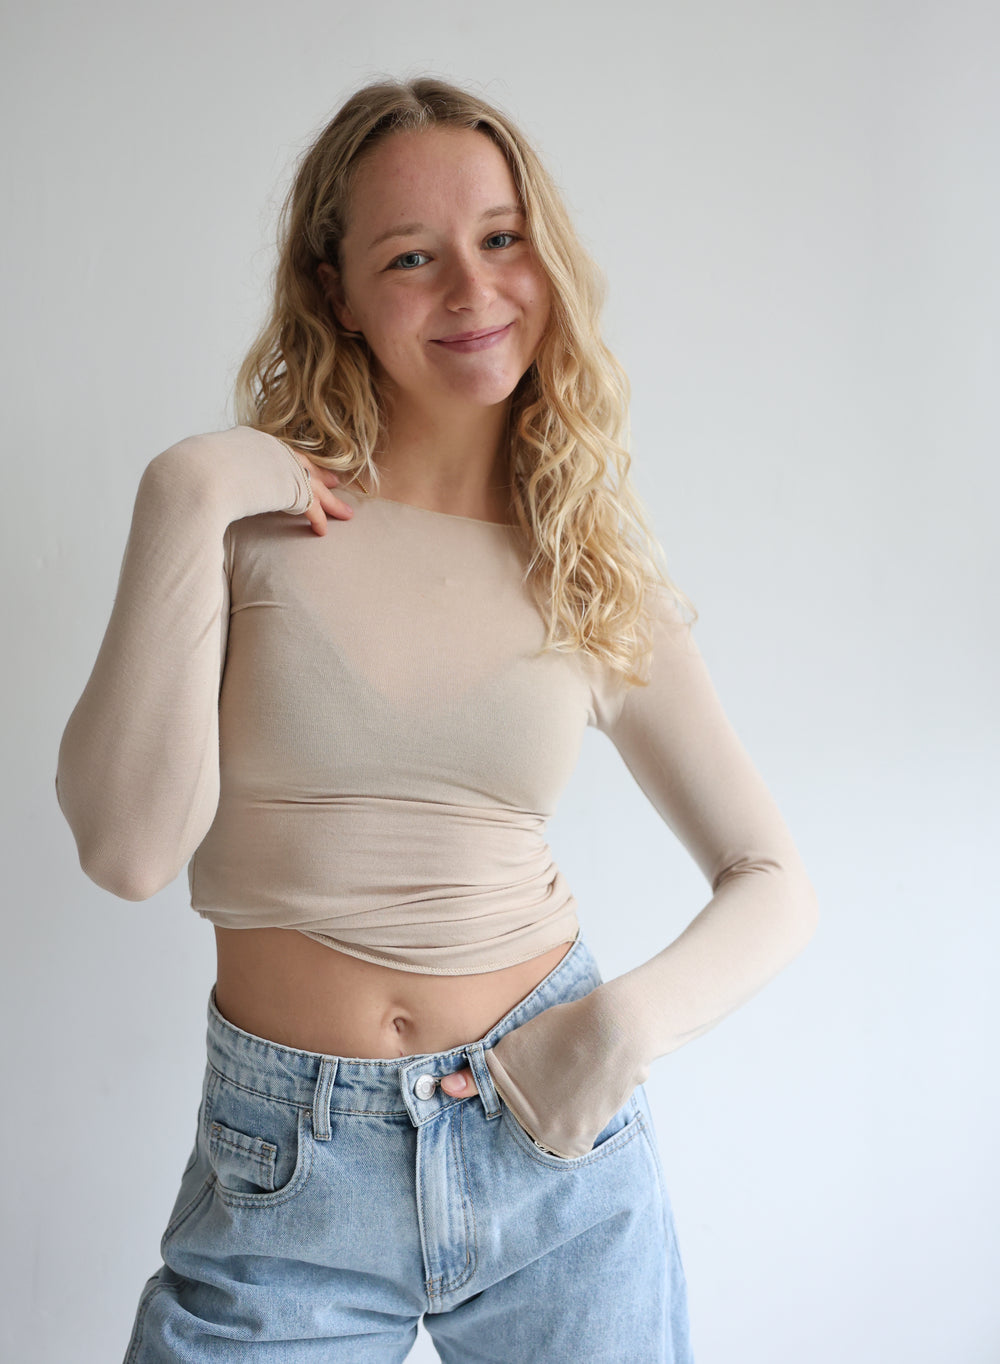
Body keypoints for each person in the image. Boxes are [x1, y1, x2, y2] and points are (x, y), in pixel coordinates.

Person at [55, 75, 819, 1363]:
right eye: (412, 256)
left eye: (501, 238)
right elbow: (127, 852)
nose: (473, 289)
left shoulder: (589, 573)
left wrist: (621, 1031)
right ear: (338, 292)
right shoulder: (245, 524)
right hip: (285, 1172)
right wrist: (186, 490)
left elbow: (774, 880)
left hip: (554, 1161)